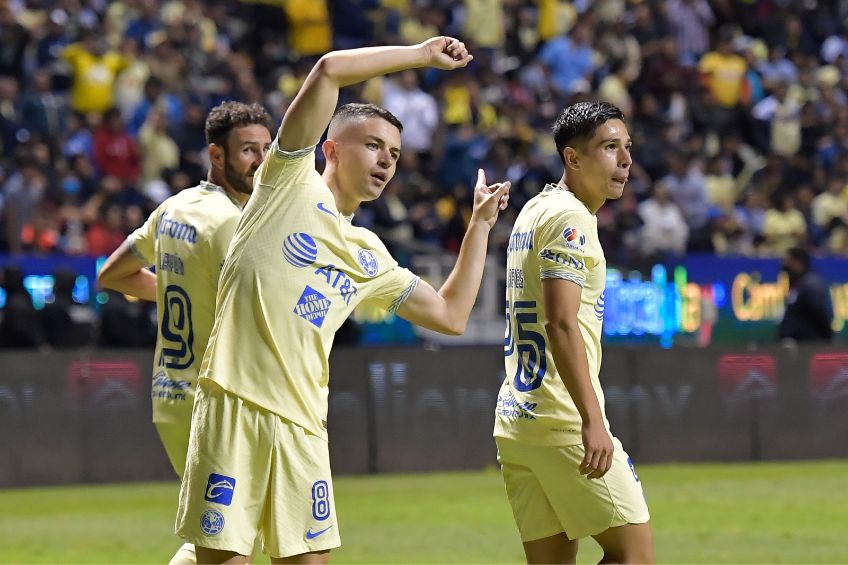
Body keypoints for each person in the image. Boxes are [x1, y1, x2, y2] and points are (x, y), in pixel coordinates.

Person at [174, 37, 510, 564]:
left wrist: (480, 227)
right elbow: (329, 69)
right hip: (235, 402)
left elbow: (450, 314)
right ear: (330, 148)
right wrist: (422, 55)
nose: (386, 161)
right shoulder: (286, 182)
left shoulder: (367, 252)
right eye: (374, 145)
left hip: (305, 425)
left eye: (395, 154)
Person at [97, 101, 274, 565]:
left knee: (215, 537)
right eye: (247, 151)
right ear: (216, 156)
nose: (260, 161)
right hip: (215, 403)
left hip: (170, 395)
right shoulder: (235, 224)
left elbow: (112, 275)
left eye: (266, 149)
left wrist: (183, 290)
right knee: (230, 546)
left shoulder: (175, 207)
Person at [494, 101, 654, 564]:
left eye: (627, 148)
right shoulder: (571, 219)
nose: (625, 161)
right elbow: (561, 322)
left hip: (517, 421)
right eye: (609, 147)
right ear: (573, 158)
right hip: (561, 419)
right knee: (635, 556)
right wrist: (592, 420)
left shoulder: (534, 210)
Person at [778, 246, 833, 344]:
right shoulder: (797, 282)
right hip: (796, 344)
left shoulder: (811, 283)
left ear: (797, 261)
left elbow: (819, 312)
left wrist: (825, 337)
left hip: (809, 344)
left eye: (788, 260)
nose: (784, 264)